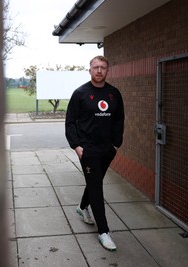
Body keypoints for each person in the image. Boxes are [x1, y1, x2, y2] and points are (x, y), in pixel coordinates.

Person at [65, 55, 124, 251]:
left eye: (103, 67)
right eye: (95, 67)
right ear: (89, 70)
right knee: (96, 187)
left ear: (108, 70)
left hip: (107, 149)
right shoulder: (80, 93)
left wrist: (116, 145)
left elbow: (119, 120)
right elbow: (70, 122)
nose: (99, 71)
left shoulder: (114, 94)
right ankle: (104, 232)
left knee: (94, 182)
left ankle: (82, 208)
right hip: (88, 150)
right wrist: (77, 146)